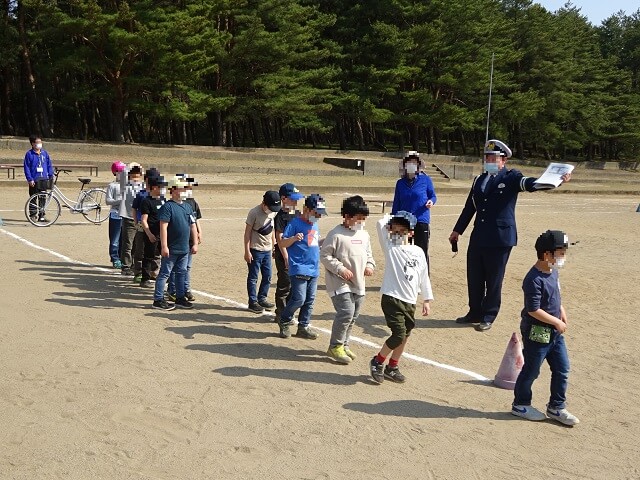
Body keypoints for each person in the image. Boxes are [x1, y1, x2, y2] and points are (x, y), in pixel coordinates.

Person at [449, 139, 572, 332]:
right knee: (474, 276)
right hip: (478, 236)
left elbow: (530, 184)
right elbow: (470, 207)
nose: (488, 160)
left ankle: (488, 315)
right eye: (487, 157)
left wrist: (555, 182)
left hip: (500, 238)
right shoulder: (479, 179)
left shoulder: (511, 177)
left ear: (503, 160)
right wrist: (458, 230)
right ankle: (474, 312)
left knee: (494, 279)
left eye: (493, 157)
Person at [511, 230, 579, 426]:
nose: (563, 257)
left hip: (555, 334)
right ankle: (521, 404)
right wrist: (556, 321)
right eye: (560, 253)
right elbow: (533, 309)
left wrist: (561, 311)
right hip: (537, 331)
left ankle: (557, 406)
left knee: (562, 368)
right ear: (547, 254)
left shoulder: (553, 273)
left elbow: (556, 297)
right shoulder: (533, 279)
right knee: (532, 370)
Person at [369, 211, 433, 384]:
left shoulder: (418, 251)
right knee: (398, 334)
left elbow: (423, 276)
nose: (397, 235)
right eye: (394, 231)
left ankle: (393, 366)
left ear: (411, 233)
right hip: (392, 298)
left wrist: (426, 299)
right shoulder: (391, 248)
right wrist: (392, 216)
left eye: (402, 231)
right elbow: (379, 224)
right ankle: (378, 361)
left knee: (405, 335)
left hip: (410, 301)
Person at [320, 195, 375, 364]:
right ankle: (335, 346)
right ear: (347, 216)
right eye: (359, 218)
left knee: (354, 316)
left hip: (359, 283)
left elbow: (369, 254)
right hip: (339, 282)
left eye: (364, 219)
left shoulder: (364, 235)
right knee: (346, 312)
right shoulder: (335, 234)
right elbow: (325, 255)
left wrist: (370, 266)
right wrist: (340, 269)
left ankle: (344, 344)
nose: (362, 222)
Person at [277, 194, 327, 340]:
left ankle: (303, 326)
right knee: (299, 298)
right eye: (316, 213)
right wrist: (293, 239)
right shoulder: (295, 223)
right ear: (306, 209)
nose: (318, 216)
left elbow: (313, 243)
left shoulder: (314, 225)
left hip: (313, 268)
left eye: (320, 214)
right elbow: (283, 243)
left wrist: (326, 240)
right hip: (299, 267)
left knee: (310, 300)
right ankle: (284, 320)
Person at [152, 176, 198, 311]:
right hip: (171, 248)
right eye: (181, 188)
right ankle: (158, 299)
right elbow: (163, 227)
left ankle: (180, 297)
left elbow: (192, 226)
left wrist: (194, 243)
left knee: (181, 273)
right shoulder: (168, 207)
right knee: (165, 274)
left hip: (185, 248)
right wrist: (164, 246)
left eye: (185, 188)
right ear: (173, 190)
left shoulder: (188, 207)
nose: (184, 191)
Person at [392, 151, 437, 269]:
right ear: (404, 165)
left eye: (414, 162)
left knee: (421, 251)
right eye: (409, 162)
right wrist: (393, 221)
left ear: (418, 165)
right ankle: (405, 279)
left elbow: (433, 196)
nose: (411, 164)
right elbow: (396, 202)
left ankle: (423, 280)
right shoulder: (400, 183)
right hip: (404, 222)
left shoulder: (426, 180)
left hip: (421, 220)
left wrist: (431, 201)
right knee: (404, 252)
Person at [244, 190, 281, 313]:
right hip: (255, 250)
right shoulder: (254, 213)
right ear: (264, 203)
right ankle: (252, 301)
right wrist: (247, 251)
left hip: (267, 249)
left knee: (268, 276)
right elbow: (247, 233)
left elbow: (272, 229)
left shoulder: (273, 212)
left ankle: (262, 298)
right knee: (253, 277)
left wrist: (274, 245)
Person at [273, 183, 305, 323]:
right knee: (284, 286)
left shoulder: (297, 215)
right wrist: (286, 257)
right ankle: (280, 313)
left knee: (294, 286)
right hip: (285, 256)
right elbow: (280, 239)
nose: (295, 202)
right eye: (292, 199)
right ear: (284, 199)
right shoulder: (280, 216)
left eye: (297, 199)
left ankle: (288, 312)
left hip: (297, 256)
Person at [167, 175, 202, 302]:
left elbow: (195, 220)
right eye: (187, 186)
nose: (189, 189)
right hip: (178, 240)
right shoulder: (176, 203)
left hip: (189, 240)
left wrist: (199, 232)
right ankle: (172, 289)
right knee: (174, 267)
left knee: (186, 267)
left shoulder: (192, 202)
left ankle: (186, 289)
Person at [139, 173, 165, 288]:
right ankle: (145, 278)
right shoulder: (147, 201)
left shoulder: (163, 200)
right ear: (154, 187)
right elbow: (144, 220)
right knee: (149, 256)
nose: (163, 190)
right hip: (152, 233)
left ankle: (162, 276)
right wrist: (149, 234)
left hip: (162, 233)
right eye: (161, 187)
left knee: (165, 255)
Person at [120, 163, 144, 277]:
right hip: (128, 218)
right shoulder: (126, 187)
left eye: (137, 175)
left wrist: (141, 169)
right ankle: (125, 266)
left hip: (139, 220)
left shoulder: (143, 187)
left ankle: (136, 265)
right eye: (133, 176)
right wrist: (133, 165)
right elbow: (124, 173)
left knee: (137, 244)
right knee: (127, 243)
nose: (135, 178)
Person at [23, 135, 54, 221]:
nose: (40, 144)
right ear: (33, 144)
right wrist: (30, 179)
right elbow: (27, 168)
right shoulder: (29, 154)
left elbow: (49, 165)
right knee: (33, 197)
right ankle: (33, 215)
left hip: (43, 178)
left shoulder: (44, 153)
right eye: (37, 142)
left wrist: (51, 175)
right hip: (34, 179)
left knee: (43, 197)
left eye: (40, 142)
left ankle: (42, 215)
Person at [105, 161, 126, 269]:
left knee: (124, 238)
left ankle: (123, 258)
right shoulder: (112, 186)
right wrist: (120, 200)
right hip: (115, 215)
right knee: (115, 239)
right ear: (115, 173)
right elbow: (108, 201)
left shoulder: (128, 185)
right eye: (120, 172)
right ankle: (115, 258)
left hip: (126, 215)